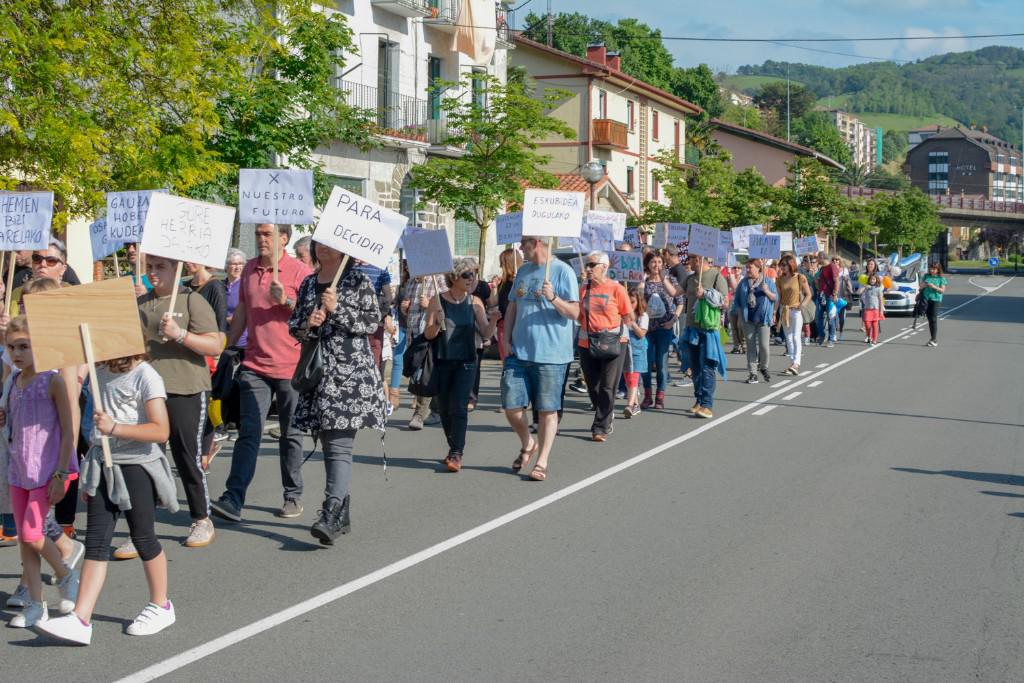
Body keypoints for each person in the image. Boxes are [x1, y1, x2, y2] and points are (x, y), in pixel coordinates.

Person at [37, 353, 177, 644]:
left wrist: (115, 428)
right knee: (96, 541)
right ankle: (81, 618)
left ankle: (161, 605)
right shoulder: (97, 371)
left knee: (143, 537)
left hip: (137, 465)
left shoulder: (146, 375)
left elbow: (161, 430)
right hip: (103, 464)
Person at [210, 224, 312, 523]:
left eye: (267, 234)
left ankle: (292, 495)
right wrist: (226, 347)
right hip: (255, 366)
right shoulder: (249, 269)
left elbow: (311, 317)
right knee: (248, 432)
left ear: (284, 238)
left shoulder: (299, 272)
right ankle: (233, 498)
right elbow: (243, 311)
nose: (261, 239)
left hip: (291, 367)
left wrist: (287, 302)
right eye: (258, 234)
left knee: (291, 434)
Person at [288, 242, 387, 544]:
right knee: (328, 442)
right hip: (318, 375)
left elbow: (371, 322)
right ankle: (340, 512)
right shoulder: (309, 283)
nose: (323, 248)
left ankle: (331, 512)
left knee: (339, 446)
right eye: (319, 242)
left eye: (331, 244)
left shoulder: (358, 280)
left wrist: (337, 309)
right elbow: (294, 326)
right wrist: (308, 323)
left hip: (350, 376)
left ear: (344, 249)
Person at [135, 255, 222, 551]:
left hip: (186, 389)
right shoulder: (140, 303)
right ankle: (142, 528)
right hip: (148, 393)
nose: (153, 272)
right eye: (150, 267)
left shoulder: (192, 301)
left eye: (160, 267)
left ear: (177, 268)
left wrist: (180, 334)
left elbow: (215, 344)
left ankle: (201, 518)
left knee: (187, 455)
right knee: (145, 458)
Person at [1, 316, 79, 628]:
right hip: (18, 471)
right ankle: (36, 605)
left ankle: (65, 574)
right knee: (25, 541)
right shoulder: (13, 382)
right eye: (11, 347)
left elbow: (68, 431)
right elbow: (11, 423)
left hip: (46, 472)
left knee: (33, 535)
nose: (17, 353)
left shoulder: (52, 381)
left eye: (24, 346)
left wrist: (61, 473)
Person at [502, 236, 580, 482]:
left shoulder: (563, 271)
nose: (519, 248)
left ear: (536, 243)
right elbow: (512, 306)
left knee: (547, 410)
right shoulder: (523, 271)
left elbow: (575, 312)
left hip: (551, 354)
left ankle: (542, 461)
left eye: (523, 243)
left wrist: (553, 298)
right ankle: (528, 442)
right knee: (511, 406)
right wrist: (506, 339)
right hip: (519, 351)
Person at [423, 258, 498, 471]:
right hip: (442, 360)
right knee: (445, 409)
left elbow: (486, 332)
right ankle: (452, 447)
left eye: (473, 274)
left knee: (459, 407)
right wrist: (437, 323)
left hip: (467, 361)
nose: (471, 278)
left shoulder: (475, 302)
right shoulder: (437, 301)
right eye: (466, 274)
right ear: (454, 277)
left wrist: (494, 320)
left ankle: (457, 453)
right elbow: (428, 334)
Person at [577, 252, 630, 441]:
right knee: (593, 386)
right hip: (587, 341)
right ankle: (606, 411)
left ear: (604, 267)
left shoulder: (616, 289)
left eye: (592, 265)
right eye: (587, 265)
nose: (588, 268)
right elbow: (578, 315)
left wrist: (613, 332)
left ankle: (601, 426)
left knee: (608, 385)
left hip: (614, 342)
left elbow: (627, 315)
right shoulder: (583, 289)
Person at [682, 255, 729, 419]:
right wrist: (660, 275)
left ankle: (707, 405)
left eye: (691, 259)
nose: (689, 262)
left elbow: (725, 301)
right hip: (692, 329)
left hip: (708, 329)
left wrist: (706, 295)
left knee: (707, 367)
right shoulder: (690, 278)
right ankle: (699, 400)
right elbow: (675, 292)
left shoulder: (716, 276)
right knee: (695, 367)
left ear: (698, 259)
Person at [400, 274, 444, 430]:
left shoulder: (438, 280)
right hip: (414, 334)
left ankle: (419, 415)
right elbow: (408, 310)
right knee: (426, 374)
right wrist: (404, 308)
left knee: (424, 373)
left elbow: (445, 307)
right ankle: (437, 411)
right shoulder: (411, 282)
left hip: (430, 334)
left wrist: (430, 305)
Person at [640, 251, 682, 410]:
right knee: (645, 362)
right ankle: (647, 395)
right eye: (653, 262)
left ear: (663, 264)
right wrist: (641, 284)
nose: (656, 265)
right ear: (647, 264)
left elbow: (680, 302)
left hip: (665, 327)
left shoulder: (670, 279)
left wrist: (673, 320)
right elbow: (637, 302)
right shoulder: (643, 281)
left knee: (661, 363)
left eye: (659, 262)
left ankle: (660, 396)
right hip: (646, 329)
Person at [734, 259, 777, 384]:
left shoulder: (767, 281)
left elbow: (775, 298)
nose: (747, 270)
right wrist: (739, 315)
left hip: (763, 319)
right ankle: (753, 373)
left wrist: (766, 290)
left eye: (750, 267)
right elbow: (737, 300)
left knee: (764, 346)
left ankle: (764, 367)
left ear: (758, 268)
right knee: (751, 346)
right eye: (746, 267)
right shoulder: (743, 283)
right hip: (748, 319)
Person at [776, 255, 812, 376]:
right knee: (788, 338)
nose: (782, 267)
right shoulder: (779, 279)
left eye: (784, 265)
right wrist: (774, 312)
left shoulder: (800, 277)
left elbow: (808, 294)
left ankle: (796, 363)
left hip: (796, 310)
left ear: (791, 265)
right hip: (784, 310)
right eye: (780, 265)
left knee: (796, 336)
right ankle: (792, 363)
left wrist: (802, 305)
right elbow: (778, 298)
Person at [623, 286, 648, 418]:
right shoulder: (623, 315)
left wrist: (632, 323)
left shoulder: (643, 316)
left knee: (633, 379)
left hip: (637, 351)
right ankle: (636, 404)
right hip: (625, 350)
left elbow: (641, 334)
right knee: (628, 378)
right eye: (628, 302)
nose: (630, 305)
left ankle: (629, 405)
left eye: (633, 302)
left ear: (638, 302)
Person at [493, 248, 522, 361]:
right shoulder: (503, 282)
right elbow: (495, 302)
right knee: (506, 359)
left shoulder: (520, 281)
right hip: (503, 324)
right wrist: (494, 287)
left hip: (517, 324)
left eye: (502, 263)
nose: (501, 266)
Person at [917, 261, 947, 347]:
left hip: (936, 300)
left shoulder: (941, 278)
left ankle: (934, 339)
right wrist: (925, 285)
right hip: (926, 299)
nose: (932, 270)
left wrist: (934, 287)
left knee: (933, 319)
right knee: (930, 319)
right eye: (931, 269)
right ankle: (932, 338)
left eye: (934, 269)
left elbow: (942, 290)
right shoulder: (926, 276)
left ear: (938, 270)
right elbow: (920, 286)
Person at [815, 253, 841, 348]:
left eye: (818, 258)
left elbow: (836, 281)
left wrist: (834, 294)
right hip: (821, 295)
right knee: (818, 317)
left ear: (822, 258)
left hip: (830, 296)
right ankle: (822, 336)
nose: (817, 260)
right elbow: (818, 281)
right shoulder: (821, 268)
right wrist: (816, 281)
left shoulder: (832, 267)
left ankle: (831, 339)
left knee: (830, 318)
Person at [224, 248, 248, 349]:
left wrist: (236, 319)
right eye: (234, 264)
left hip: (243, 341)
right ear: (226, 266)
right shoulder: (219, 286)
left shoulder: (247, 286)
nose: (237, 267)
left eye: (240, 264)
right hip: (221, 338)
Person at [860, 273, 885, 346]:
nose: (872, 280)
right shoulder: (866, 288)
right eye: (871, 279)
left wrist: (881, 311)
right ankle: (868, 336)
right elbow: (859, 292)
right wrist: (864, 286)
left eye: (874, 279)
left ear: (876, 280)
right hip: (867, 309)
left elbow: (881, 300)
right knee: (867, 324)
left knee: (874, 325)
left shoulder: (878, 289)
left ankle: (874, 339)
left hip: (875, 309)